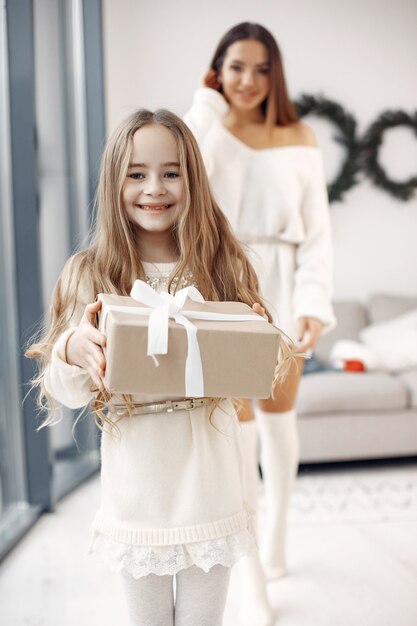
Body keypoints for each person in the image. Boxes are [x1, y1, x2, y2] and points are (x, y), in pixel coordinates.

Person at [26, 108, 292, 626]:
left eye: (171, 172)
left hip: (211, 488)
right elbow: (67, 389)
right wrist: (74, 351)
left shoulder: (221, 264)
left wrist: (255, 338)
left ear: (192, 177)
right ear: (114, 182)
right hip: (138, 494)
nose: (155, 188)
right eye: (137, 173)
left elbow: (262, 373)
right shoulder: (92, 272)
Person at [185, 21, 335, 624]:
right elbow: (177, 164)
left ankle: (276, 539)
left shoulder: (300, 136)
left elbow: (318, 231)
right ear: (217, 70)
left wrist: (313, 303)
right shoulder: (208, 129)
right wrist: (204, 101)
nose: (247, 80)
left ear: (275, 74)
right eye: (234, 67)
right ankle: (250, 578)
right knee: (237, 438)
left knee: (279, 425)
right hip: (227, 289)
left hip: (287, 283)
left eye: (260, 68)